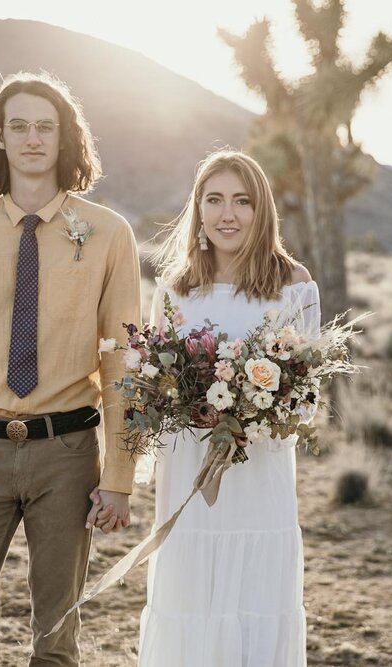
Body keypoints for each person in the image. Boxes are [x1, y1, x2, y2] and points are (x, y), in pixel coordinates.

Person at [0, 71, 141, 667]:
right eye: (20, 126)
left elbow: (123, 364)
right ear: (0, 138)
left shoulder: (110, 234)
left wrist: (118, 474)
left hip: (67, 455)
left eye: (46, 126)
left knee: (56, 642)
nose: (33, 138)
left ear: (66, 139)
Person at [137, 150, 317, 667]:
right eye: (213, 200)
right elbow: (157, 384)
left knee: (255, 602)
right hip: (189, 472)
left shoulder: (292, 284)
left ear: (262, 211)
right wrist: (190, 406)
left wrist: (251, 410)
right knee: (190, 599)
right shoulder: (175, 289)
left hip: (259, 479)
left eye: (242, 201)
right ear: (197, 211)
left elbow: (305, 401)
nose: (227, 215)